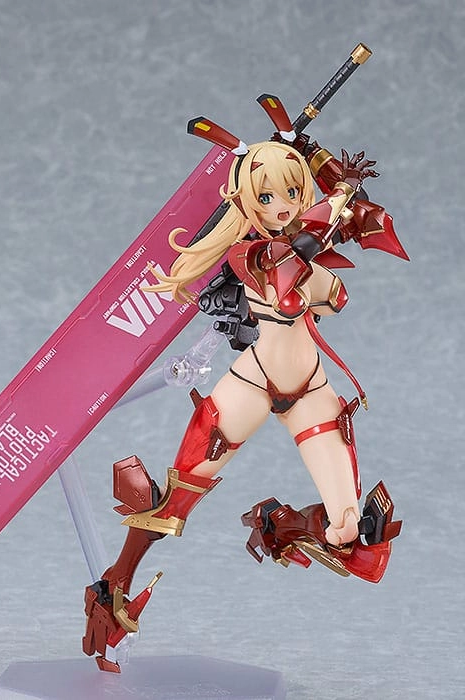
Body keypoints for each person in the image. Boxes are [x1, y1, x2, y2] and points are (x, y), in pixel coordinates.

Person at [82, 114, 407, 673]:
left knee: (352, 532)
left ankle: (280, 524)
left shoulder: (309, 253)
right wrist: (336, 199)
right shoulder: (249, 257)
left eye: (292, 192)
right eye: (267, 195)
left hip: (310, 391)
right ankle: (113, 587)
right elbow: (291, 264)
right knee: (173, 504)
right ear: (245, 202)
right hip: (251, 386)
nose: (282, 206)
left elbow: (338, 257)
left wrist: (325, 166)